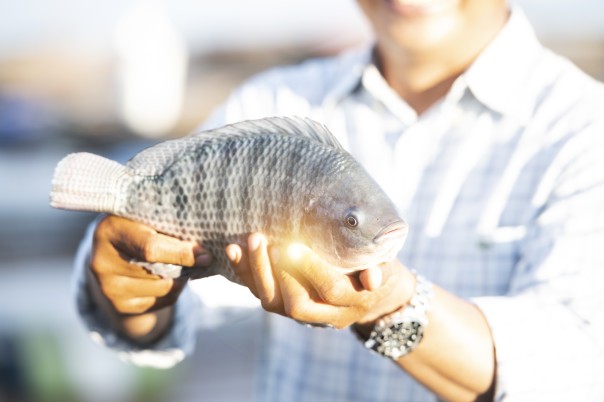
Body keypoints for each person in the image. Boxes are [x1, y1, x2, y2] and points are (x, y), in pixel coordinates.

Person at [73, 0, 604, 401]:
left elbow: (575, 367)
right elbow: (172, 307)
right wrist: (125, 290)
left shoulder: (584, 128)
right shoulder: (271, 100)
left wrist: (392, 306)